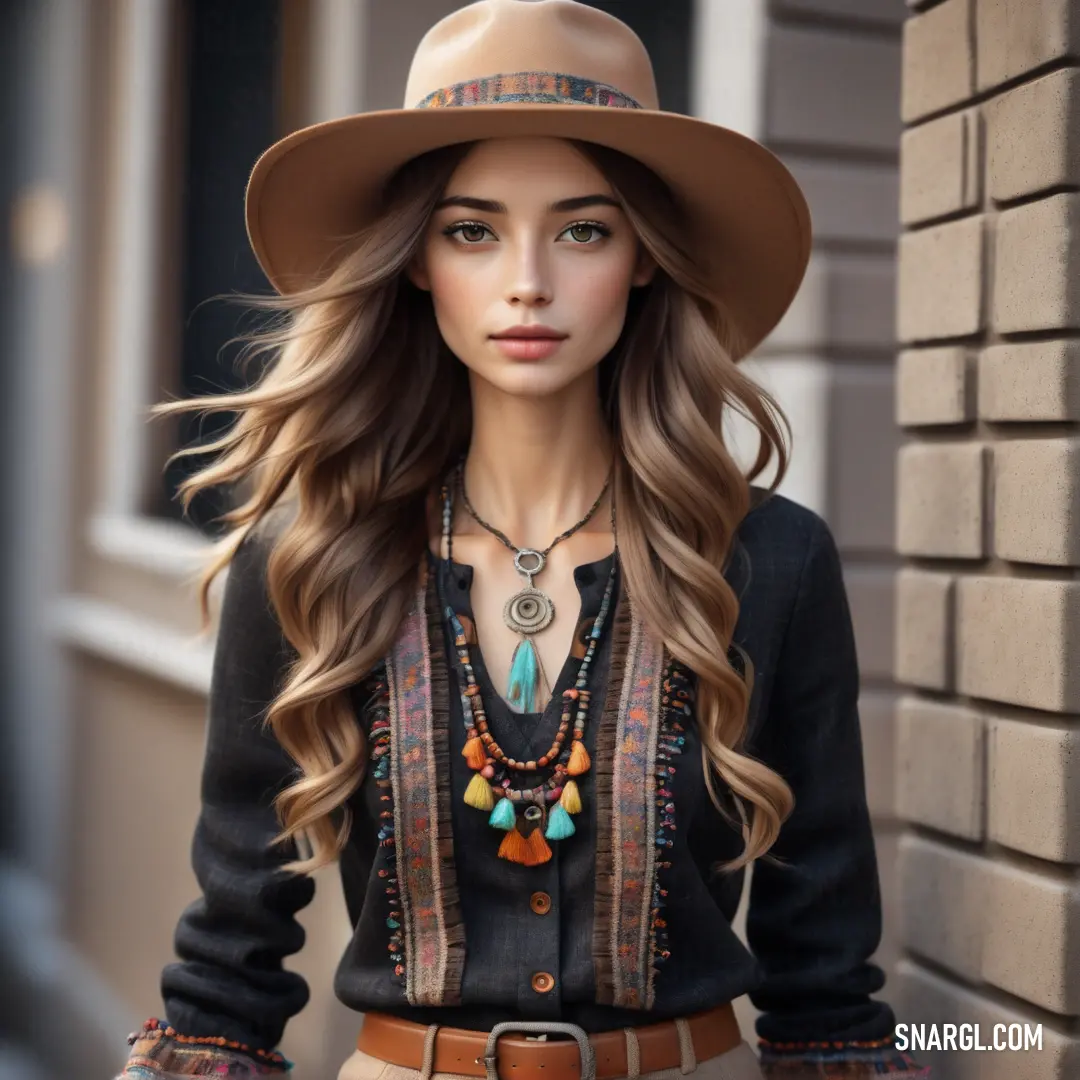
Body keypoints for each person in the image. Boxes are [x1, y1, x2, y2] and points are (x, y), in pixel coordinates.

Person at [114, 3, 931, 1079]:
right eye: (472, 229)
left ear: (644, 257)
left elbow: (824, 976)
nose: (529, 280)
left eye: (584, 228)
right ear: (416, 261)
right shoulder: (311, 559)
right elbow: (229, 962)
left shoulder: (767, 561)